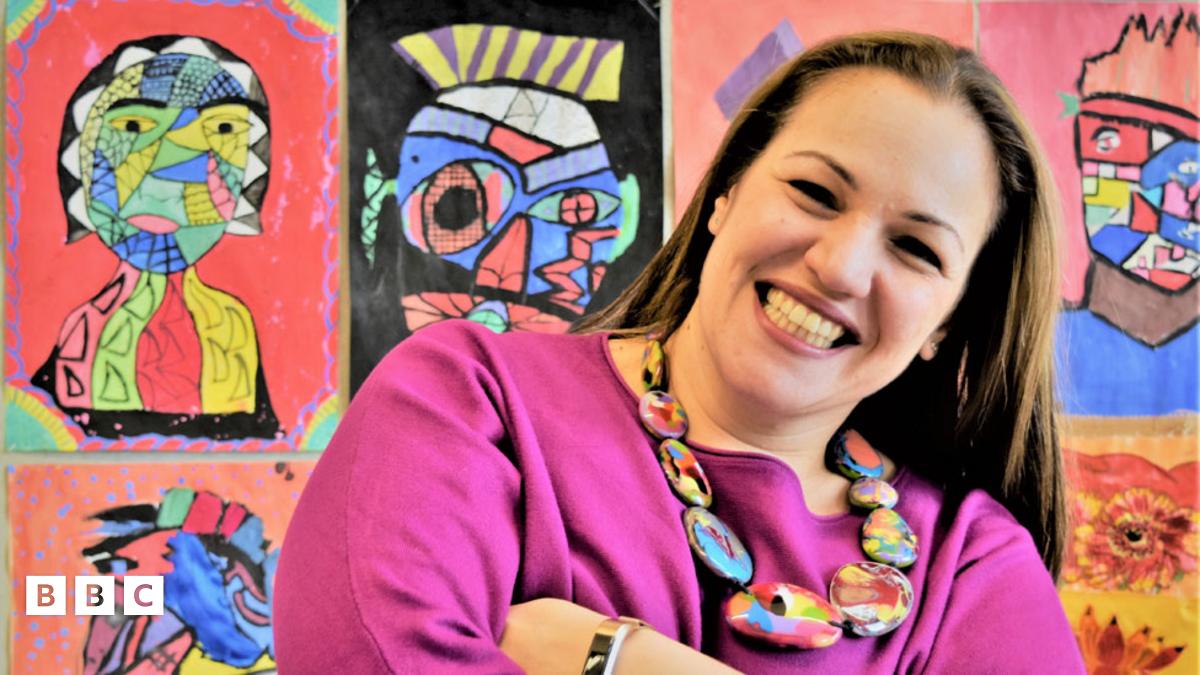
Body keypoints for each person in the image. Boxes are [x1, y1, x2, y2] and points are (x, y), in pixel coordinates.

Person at [274, 32, 1086, 673]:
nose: (840, 266)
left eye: (915, 248)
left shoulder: (971, 566)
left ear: (948, 321)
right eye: (814, 192)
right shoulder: (466, 400)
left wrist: (618, 659)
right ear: (727, 192)